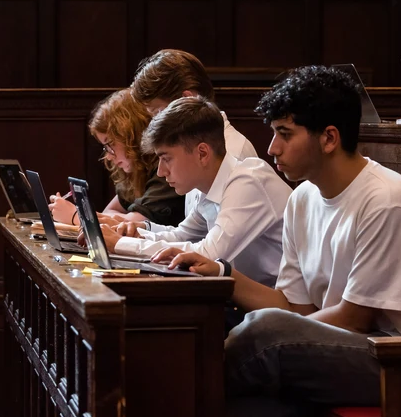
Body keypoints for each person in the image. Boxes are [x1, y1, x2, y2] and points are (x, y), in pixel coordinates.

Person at [167, 66, 401, 417]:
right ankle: (183, 391)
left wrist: (272, 329)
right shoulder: (303, 198)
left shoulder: (386, 201)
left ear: (329, 138)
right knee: (235, 416)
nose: (271, 148)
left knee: (262, 331)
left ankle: (171, 391)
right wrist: (221, 275)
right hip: (341, 349)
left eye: (284, 134)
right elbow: (296, 308)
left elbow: (356, 318)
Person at [98, 96, 289, 289]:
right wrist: (138, 232)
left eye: (167, 159)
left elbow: (207, 254)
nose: (161, 172)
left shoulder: (247, 180)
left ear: (202, 153)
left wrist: (122, 245)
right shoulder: (205, 185)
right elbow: (182, 235)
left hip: (284, 305)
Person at [48, 88, 185, 228]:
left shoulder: (165, 169)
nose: (108, 156)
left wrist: (77, 216)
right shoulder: (138, 171)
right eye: (105, 147)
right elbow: (110, 211)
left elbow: (134, 224)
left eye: (110, 144)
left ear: (132, 137)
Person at [130, 49, 257, 159]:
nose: (154, 123)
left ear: (187, 100)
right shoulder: (190, 148)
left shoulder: (231, 153)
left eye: (158, 113)